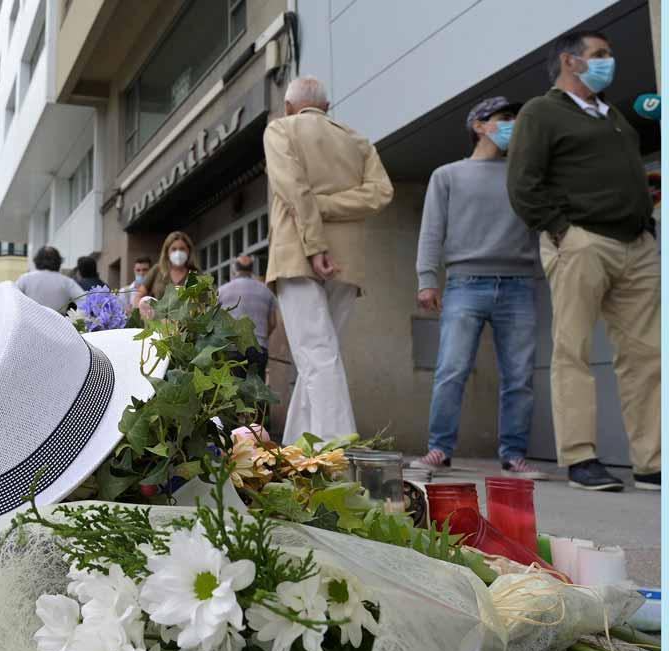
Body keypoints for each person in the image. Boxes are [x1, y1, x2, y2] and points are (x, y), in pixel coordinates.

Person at [507, 30, 660, 492]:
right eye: (599, 55)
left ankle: (651, 462)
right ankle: (580, 458)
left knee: (647, 355)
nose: (608, 62)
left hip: (636, 245)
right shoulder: (541, 111)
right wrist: (561, 230)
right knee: (572, 350)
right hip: (581, 241)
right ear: (570, 62)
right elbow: (523, 183)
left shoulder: (612, 116)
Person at [410, 96, 547, 480]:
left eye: (516, 120)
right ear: (479, 125)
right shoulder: (448, 175)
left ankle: (514, 455)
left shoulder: (523, 173)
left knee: (519, 375)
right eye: (504, 119)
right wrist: (426, 279)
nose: (513, 125)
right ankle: (439, 449)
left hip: (519, 283)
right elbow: (432, 231)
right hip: (464, 283)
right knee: (451, 370)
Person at [263, 75, 393, 444]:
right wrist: (332, 206)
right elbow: (380, 194)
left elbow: (292, 188)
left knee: (316, 357)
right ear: (327, 107)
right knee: (321, 357)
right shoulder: (356, 139)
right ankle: (299, 450)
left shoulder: (281, 129)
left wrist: (315, 236)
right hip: (348, 262)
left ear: (289, 106)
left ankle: (338, 452)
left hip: (297, 253)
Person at [218, 255, 277, 381]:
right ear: (252, 269)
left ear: (235, 269)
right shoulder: (266, 291)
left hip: (232, 347)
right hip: (258, 347)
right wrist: (261, 337)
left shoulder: (222, 291)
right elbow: (272, 323)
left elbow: (215, 320)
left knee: (235, 390)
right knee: (257, 389)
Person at [15, 246, 84, 314]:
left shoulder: (25, 278)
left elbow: (12, 298)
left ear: (36, 261)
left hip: (30, 321)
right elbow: (84, 300)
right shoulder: (67, 282)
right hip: (58, 323)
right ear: (59, 262)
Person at [137, 231, 201, 300]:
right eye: (174, 249)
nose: (178, 253)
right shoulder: (157, 270)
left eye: (182, 249)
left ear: (189, 251)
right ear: (167, 251)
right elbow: (139, 296)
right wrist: (142, 307)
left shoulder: (196, 274)